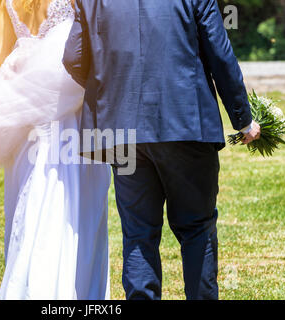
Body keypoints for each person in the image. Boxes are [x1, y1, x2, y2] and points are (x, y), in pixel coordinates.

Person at [63, 0, 261, 300]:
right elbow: (220, 53)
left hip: (122, 131)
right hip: (186, 123)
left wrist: (112, 87)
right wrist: (243, 119)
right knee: (197, 229)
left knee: (138, 234)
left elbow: (73, 58)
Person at [0, 0, 111, 300]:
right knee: (67, 207)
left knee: (30, 198)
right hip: (71, 122)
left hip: (27, 126)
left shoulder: (9, 3)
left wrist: (31, 67)